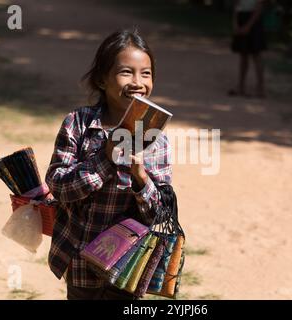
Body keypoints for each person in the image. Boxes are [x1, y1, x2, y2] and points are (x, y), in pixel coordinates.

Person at [45, 29, 172, 300]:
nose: (137, 82)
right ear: (102, 80)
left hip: (128, 269)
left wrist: (141, 179)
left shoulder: (156, 139)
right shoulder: (78, 123)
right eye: (126, 72)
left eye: (146, 73)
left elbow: (160, 214)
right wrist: (106, 159)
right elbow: (59, 187)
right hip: (80, 263)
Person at [228, 0, 267, 98]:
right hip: (242, 17)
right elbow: (236, 5)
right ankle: (241, 86)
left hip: (253, 19)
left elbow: (259, 8)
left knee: (256, 55)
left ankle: (260, 88)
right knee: (243, 54)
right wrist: (235, 22)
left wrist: (249, 26)